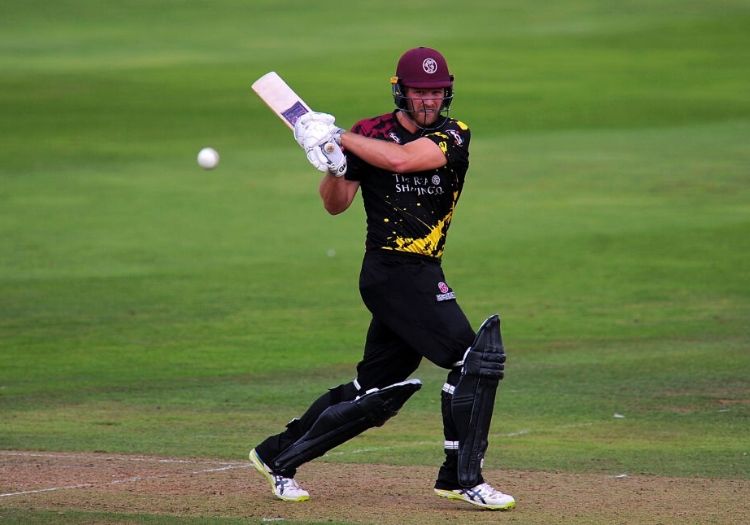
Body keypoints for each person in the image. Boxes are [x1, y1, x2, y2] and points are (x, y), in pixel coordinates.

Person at [249, 47, 515, 511]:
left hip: (424, 268)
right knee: (472, 358)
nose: (428, 101)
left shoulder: (455, 134)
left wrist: (338, 136)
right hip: (391, 272)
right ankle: (460, 477)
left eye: (435, 92)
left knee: (370, 387)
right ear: (401, 91)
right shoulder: (368, 132)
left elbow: (402, 161)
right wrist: (332, 161)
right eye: (419, 92)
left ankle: (276, 455)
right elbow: (336, 203)